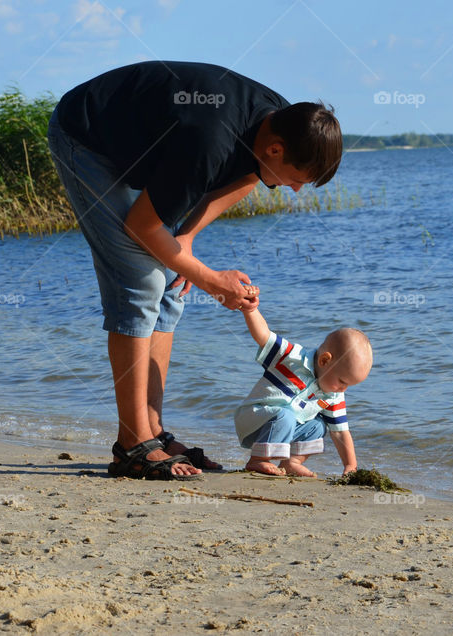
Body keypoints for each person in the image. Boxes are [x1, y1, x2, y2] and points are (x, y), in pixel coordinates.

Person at [46, 60, 343, 480]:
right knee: (141, 281)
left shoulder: (282, 121)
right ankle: (130, 445)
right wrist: (209, 279)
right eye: (298, 179)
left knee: (169, 284)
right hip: (85, 135)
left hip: (137, 136)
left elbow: (249, 176)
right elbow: (141, 226)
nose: (295, 191)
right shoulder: (208, 140)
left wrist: (186, 238)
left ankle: (153, 432)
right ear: (276, 149)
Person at [235, 288, 372, 477]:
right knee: (286, 415)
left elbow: (340, 432)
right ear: (324, 361)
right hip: (254, 422)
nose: (343, 389)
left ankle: (291, 462)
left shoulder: (333, 395)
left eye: (348, 385)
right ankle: (258, 460)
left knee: (318, 426)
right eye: (342, 381)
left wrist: (350, 466)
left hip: (285, 429)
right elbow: (264, 337)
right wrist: (250, 310)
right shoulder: (292, 358)